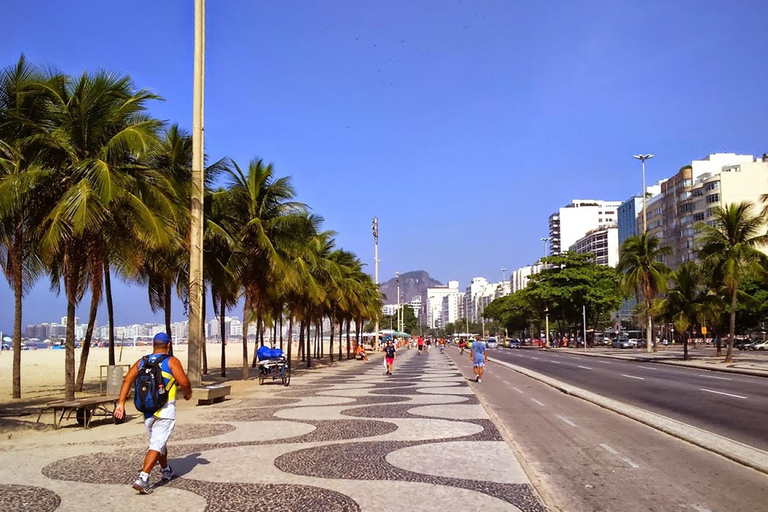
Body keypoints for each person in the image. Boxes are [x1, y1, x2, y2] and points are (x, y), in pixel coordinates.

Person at [114, 332, 192, 494]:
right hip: (165, 409)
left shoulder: (142, 361)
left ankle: (165, 470)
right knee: (156, 444)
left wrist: (120, 404)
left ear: (153, 345)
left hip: (147, 410)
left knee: (159, 441)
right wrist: (187, 393)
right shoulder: (171, 361)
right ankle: (143, 478)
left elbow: (127, 380)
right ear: (169, 345)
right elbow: (184, 382)